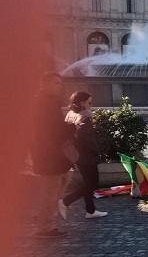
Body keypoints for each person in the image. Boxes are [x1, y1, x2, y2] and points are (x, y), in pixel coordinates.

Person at [32, 72, 77, 238]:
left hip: (52, 153)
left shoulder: (48, 102)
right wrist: (72, 128)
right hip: (49, 154)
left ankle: (44, 213)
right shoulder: (45, 103)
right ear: (45, 84)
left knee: (64, 179)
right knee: (50, 190)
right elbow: (52, 130)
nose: (60, 86)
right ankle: (44, 227)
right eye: (56, 83)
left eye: (60, 83)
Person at [59, 92, 107, 220]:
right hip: (86, 154)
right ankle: (65, 202)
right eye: (89, 103)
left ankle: (90, 211)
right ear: (82, 103)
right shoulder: (84, 117)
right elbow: (86, 138)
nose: (91, 106)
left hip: (77, 154)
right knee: (92, 184)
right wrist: (95, 151)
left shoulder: (70, 114)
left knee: (88, 182)